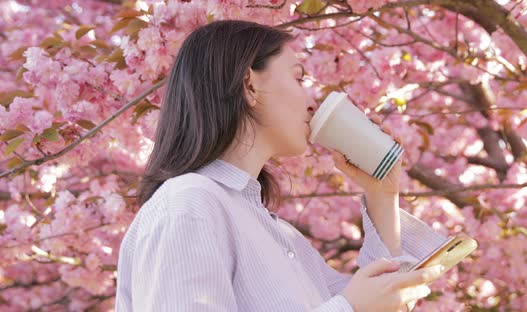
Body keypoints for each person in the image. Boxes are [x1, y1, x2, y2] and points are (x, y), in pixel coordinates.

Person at [114, 20, 447, 312]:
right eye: (298, 78)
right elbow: (352, 305)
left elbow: (375, 300)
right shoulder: (189, 203)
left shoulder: (276, 233)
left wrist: (382, 195)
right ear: (250, 85)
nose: (312, 100)